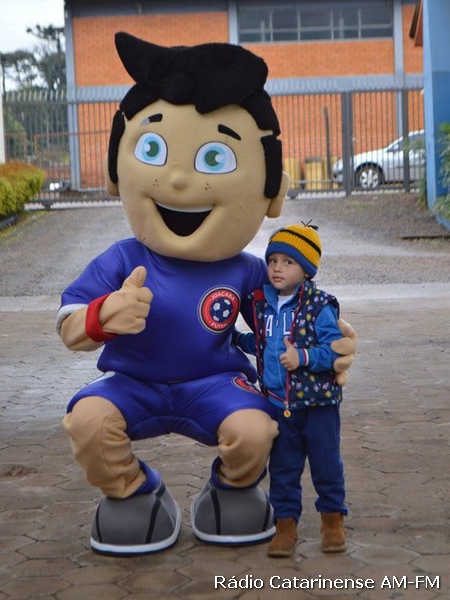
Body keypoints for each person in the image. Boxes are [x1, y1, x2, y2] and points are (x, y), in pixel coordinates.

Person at [57, 33, 357, 556]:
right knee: (88, 422)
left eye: (214, 158)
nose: (177, 179)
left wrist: (329, 339)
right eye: (152, 150)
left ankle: (230, 489)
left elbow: (289, 315)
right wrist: (104, 314)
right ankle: (136, 493)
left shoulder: (246, 270)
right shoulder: (124, 259)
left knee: (256, 429)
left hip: (214, 383)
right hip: (134, 382)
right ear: (116, 171)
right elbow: (68, 322)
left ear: (272, 191)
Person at [235, 223, 348, 558]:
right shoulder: (263, 303)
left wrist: (304, 358)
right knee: (283, 469)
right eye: (273, 261)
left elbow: (336, 351)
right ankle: (286, 526)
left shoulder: (319, 305)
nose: (277, 268)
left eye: (288, 262)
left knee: (326, 464)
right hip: (278, 405)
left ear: (307, 270)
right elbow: (263, 343)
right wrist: (233, 340)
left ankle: (332, 521)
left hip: (318, 405)